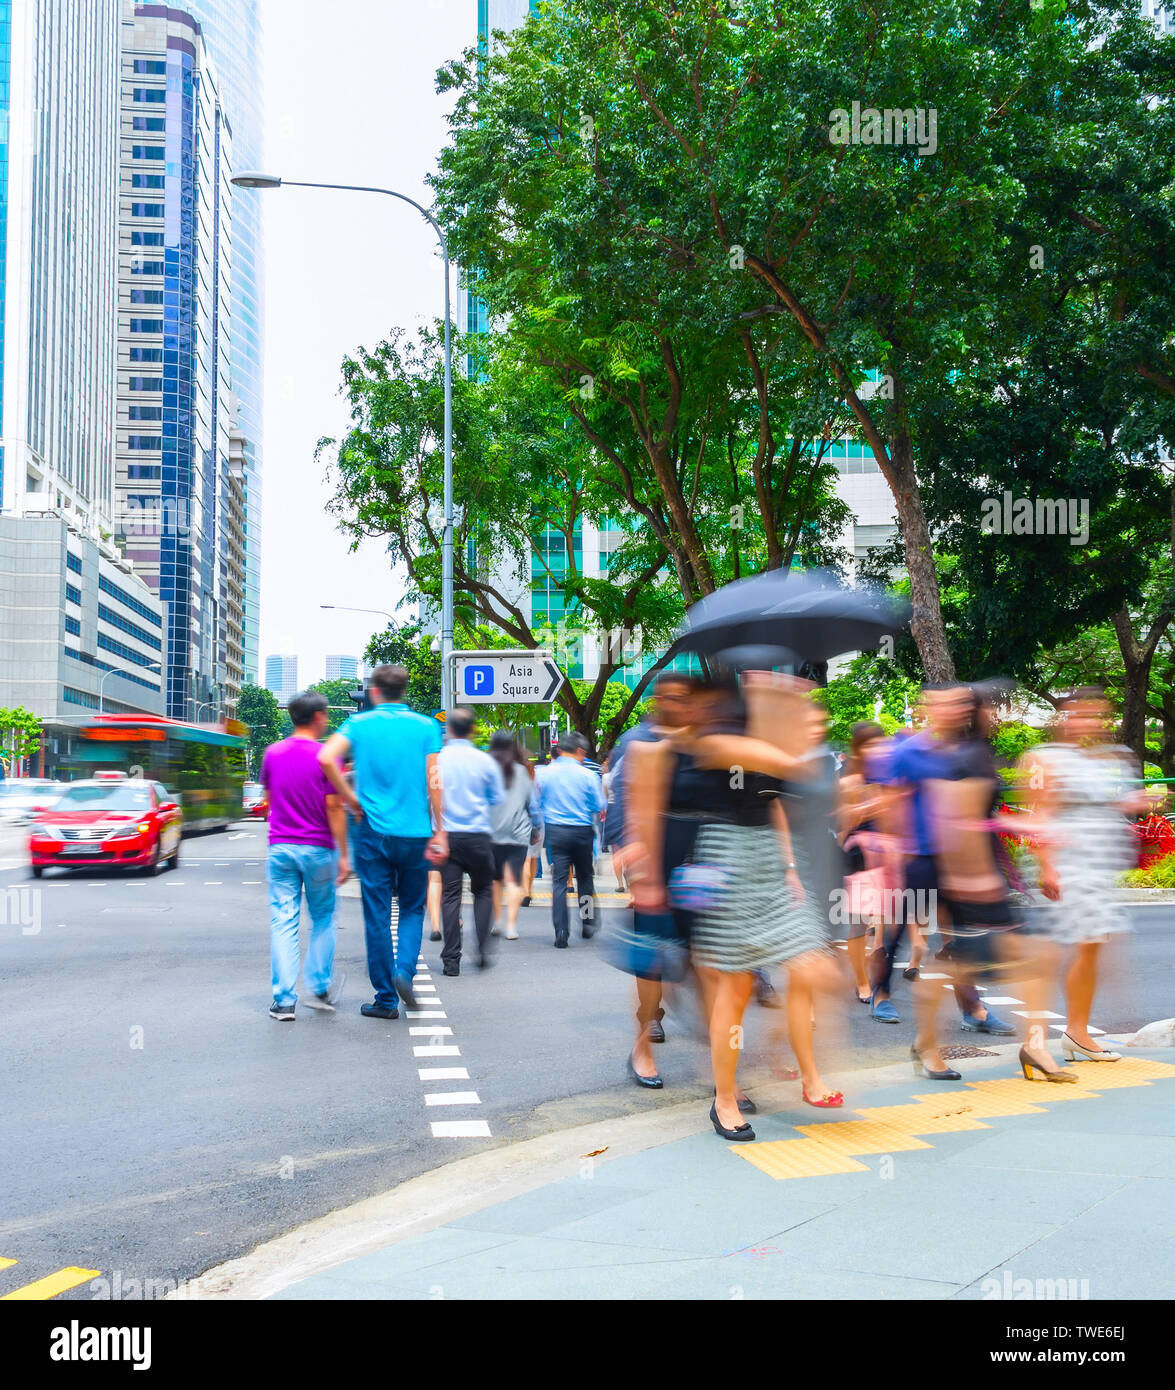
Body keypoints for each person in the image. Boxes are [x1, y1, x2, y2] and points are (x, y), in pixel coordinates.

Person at [628, 672, 842, 1139]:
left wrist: (788, 865)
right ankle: (723, 1096)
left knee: (817, 970)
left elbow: (774, 802)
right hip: (723, 861)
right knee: (732, 988)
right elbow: (784, 765)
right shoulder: (707, 740)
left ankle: (787, 1061)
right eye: (772, 687)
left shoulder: (761, 733)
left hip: (773, 861)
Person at [1021, 686, 1157, 1063]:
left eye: (1098, 715)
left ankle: (1074, 1031)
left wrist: (1130, 802)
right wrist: (1048, 866)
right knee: (1064, 949)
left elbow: (1102, 805)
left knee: (1091, 946)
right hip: (1070, 864)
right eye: (1082, 713)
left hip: (1097, 866)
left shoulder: (1102, 760)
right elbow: (1042, 813)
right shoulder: (1047, 758)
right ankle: (1064, 1035)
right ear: (1064, 718)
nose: (1091, 722)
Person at [873, 683, 1016, 1037]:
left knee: (960, 937)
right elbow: (892, 803)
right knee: (897, 933)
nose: (952, 710)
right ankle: (881, 995)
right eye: (943, 704)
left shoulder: (967, 752)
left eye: (959, 704)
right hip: (919, 857)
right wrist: (895, 854)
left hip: (956, 859)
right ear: (928, 709)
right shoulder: (910, 751)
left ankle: (974, 1010)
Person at [319, 665, 446, 1020]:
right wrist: (441, 830)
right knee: (411, 908)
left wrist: (349, 796)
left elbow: (326, 757)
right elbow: (435, 779)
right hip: (416, 832)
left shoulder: (359, 725)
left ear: (374, 692)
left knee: (376, 914)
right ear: (403, 691)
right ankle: (405, 971)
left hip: (372, 831)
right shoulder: (425, 726)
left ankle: (385, 1000)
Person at [606, 672, 700, 1079]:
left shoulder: (704, 743)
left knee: (707, 961)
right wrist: (632, 858)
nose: (677, 704)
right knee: (651, 963)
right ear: (657, 700)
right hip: (654, 862)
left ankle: (721, 1071)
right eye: (670, 697)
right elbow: (626, 799)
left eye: (685, 698)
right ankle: (643, 1040)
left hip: (701, 866)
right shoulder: (639, 741)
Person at [261, 690, 350, 1021]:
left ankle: (284, 1001)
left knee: (283, 920)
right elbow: (333, 807)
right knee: (324, 917)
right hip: (318, 848)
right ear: (317, 718)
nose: (326, 720)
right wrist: (343, 854)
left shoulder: (272, 753)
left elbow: (268, 802)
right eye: (325, 715)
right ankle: (320, 986)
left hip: (281, 848)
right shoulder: (328, 756)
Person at [437, 707, 504, 974]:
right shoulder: (484, 760)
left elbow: (429, 796)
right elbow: (497, 798)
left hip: (448, 836)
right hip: (478, 835)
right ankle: (483, 949)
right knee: (483, 891)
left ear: (449, 729)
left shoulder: (438, 759)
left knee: (450, 896)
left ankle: (451, 961)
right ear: (472, 730)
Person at [535, 732, 606, 948]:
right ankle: (587, 922)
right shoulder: (587, 776)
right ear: (580, 751)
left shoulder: (545, 774)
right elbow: (598, 805)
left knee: (559, 882)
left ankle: (561, 932)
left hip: (556, 832)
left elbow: (535, 803)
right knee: (584, 879)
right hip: (582, 832)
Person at [488, 730, 542, 940]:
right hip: (518, 832)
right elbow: (533, 804)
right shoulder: (520, 771)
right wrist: (535, 828)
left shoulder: (487, 770)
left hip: (491, 833)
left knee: (495, 880)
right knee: (513, 880)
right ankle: (511, 926)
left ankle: (497, 921)